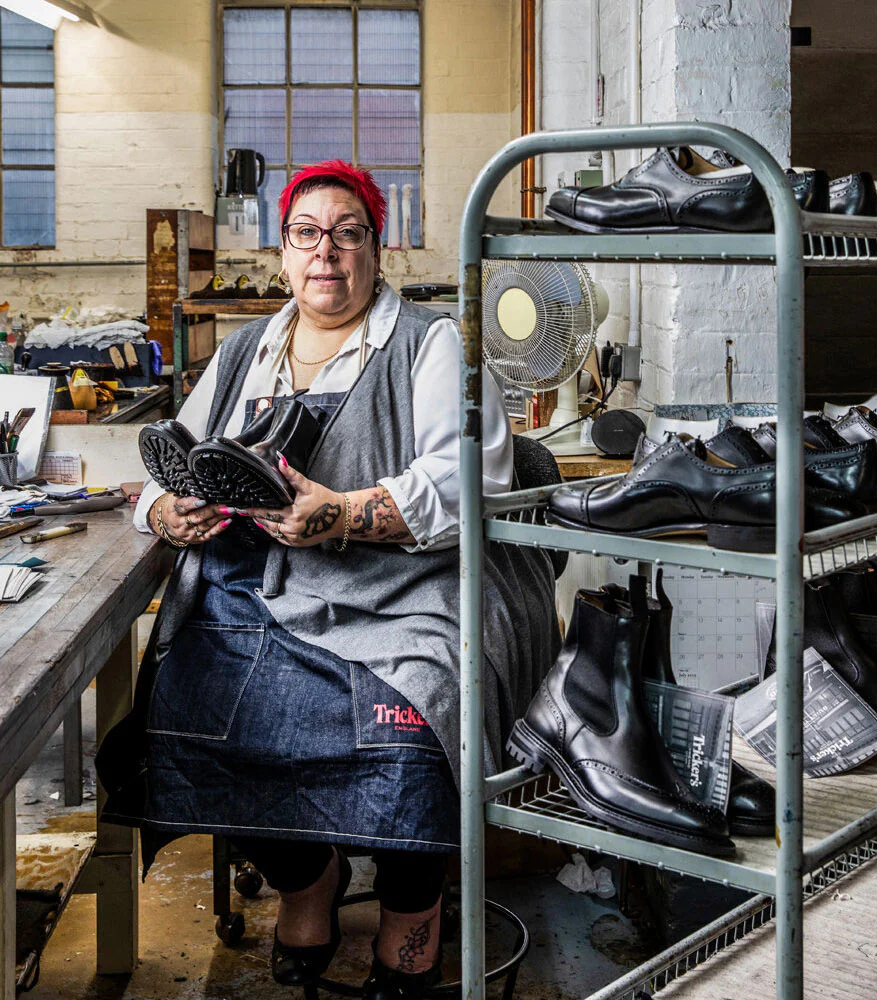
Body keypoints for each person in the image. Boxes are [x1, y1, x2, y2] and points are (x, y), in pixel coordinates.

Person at [96, 160, 559, 997]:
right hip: (255, 588)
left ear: (378, 250)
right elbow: (172, 465)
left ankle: (412, 913)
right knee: (193, 707)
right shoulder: (246, 352)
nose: (327, 252)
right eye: (307, 233)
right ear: (283, 252)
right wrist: (168, 512)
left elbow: (472, 477)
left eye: (349, 233)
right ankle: (308, 881)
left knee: (418, 722)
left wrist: (344, 512)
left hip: (403, 589)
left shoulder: (431, 342)